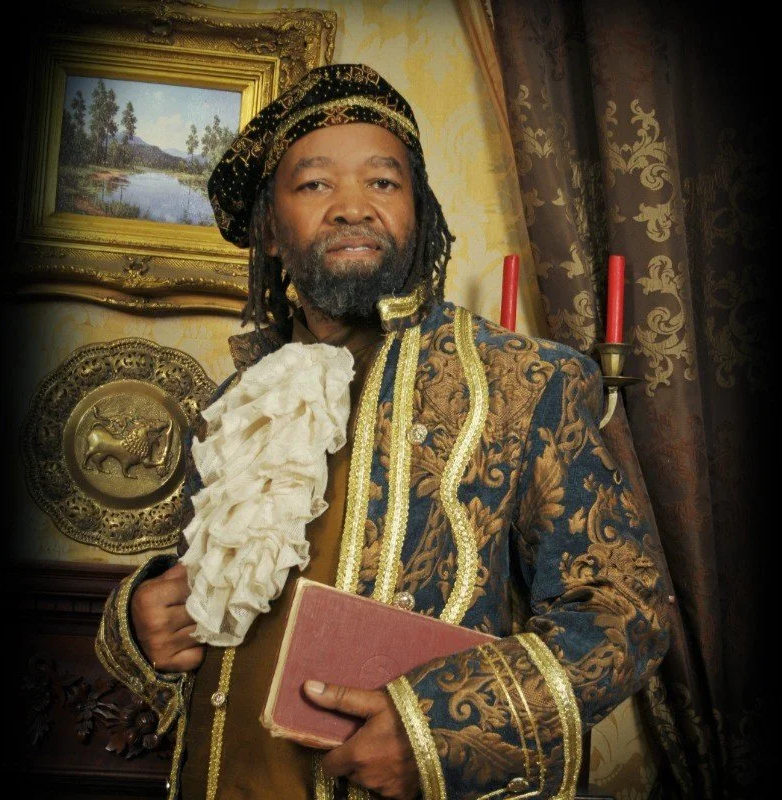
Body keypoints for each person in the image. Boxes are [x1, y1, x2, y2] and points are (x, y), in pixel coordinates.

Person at [96, 64, 670, 800]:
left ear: (417, 213)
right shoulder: (237, 405)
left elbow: (623, 611)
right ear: (269, 231)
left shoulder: (527, 381)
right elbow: (190, 614)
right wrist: (141, 621)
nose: (351, 207)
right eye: (314, 184)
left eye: (382, 181)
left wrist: (440, 731)